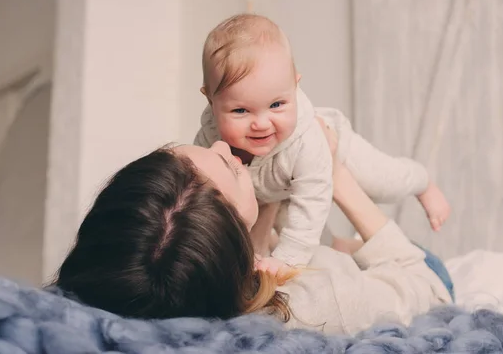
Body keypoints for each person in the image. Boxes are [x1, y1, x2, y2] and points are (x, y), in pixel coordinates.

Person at [55, 121, 454, 334]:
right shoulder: (318, 303)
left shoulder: (146, 281)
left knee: (319, 236)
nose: (222, 146)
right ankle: (346, 247)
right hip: (418, 272)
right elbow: (431, 293)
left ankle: (341, 246)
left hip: (304, 255)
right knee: (339, 245)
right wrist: (335, 174)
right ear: (227, 245)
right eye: (231, 167)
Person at [194, 13, 451, 271]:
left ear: (295, 86)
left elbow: (312, 201)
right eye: (240, 111)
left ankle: (422, 181)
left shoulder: (305, 141)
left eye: (277, 105)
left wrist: (287, 260)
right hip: (276, 185)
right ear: (210, 101)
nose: (261, 123)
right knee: (313, 246)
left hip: (329, 150)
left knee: (383, 184)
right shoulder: (209, 140)